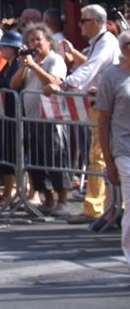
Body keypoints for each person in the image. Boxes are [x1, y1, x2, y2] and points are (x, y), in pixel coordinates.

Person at [46, 3, 119, 224]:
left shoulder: (106, 42)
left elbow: (91, 68)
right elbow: (92, 66)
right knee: (99, 156)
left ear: (95, 23)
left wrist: (65, 83)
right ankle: (106, 205)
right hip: (99, 103)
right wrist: (74, 55)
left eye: (83, 20)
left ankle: (95, 207)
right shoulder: (100, 42)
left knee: (99, 157)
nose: (79, 25)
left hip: (105, 104)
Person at [14, 22, 69, 215]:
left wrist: (35, 65)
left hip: (51, 118)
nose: (35, 43)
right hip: (32, 118)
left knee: (55, 159)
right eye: (31, 40)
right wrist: (24, 66)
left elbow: (54, 82)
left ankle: (63, 200)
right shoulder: (31, 62)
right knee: (37, 161)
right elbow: (14, 84)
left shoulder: (55, 60)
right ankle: (48, 199)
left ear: (47, 41)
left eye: (38, 39)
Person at [93, 29, 130, 269]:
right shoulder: (111, 76)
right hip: (124, 148)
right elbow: (103, 121)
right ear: (125, 49)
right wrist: (108, 160)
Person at [0, 28, 25, 206]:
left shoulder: (17, 65)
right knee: (6, 156)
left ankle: (17, 192)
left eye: (4, 46)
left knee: (16, 155)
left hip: (16, 114)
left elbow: (14, 86)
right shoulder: (7, 64)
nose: (1, 50)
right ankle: (7, 191)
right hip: (6, 115)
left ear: (13, 48)